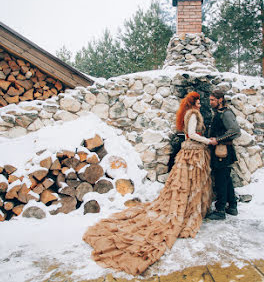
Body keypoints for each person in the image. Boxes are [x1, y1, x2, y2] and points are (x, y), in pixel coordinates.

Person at [83, 91, 215, 276]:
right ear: (194, 103)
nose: (201, 105)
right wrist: (207, 140)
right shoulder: (192, 114)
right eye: (199, 102)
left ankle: (188, 206)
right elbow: (191, 133)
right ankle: (187, 210)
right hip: (193, 152)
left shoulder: (188, 113)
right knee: (189, 182)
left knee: (189, 183)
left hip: (191, 151)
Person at [207, 89, 241, 220]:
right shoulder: (219, 113)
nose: (210, 102)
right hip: (220, 152)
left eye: (213, 100)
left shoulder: (226, 113)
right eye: (210, 100)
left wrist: (218, 139)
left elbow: (236, 131)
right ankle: (232, 206)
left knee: (221, 179)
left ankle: (220, 210)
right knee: (226, 179)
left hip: (223, 152)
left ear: (220, 99)